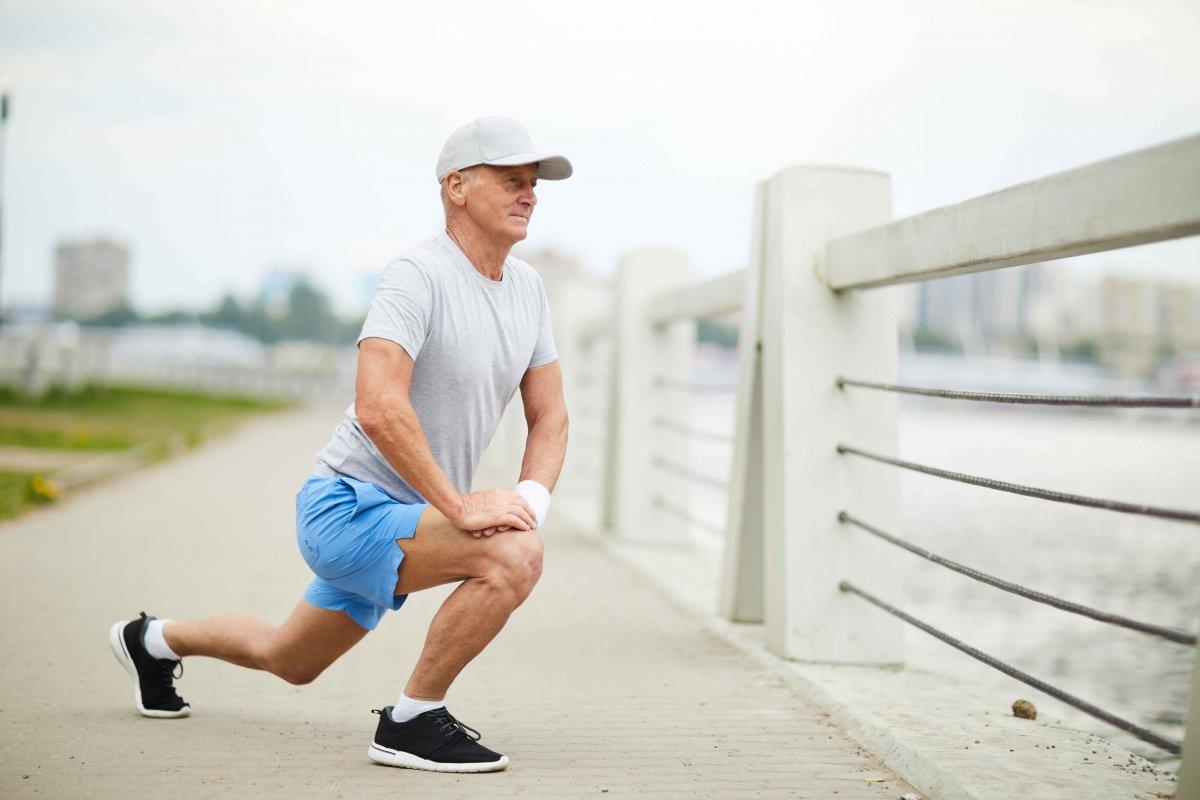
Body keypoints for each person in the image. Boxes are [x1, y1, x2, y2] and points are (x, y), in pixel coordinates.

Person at [109, 116, 572, 773]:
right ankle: (411, 721)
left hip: (414, 521)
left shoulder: (528, 289)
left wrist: (529, 501)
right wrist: (463, 508)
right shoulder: (418, 275)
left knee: (287, 659)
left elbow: (550, 416)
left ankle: (150, 640)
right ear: (457, 187)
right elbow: (380, 407)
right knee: (513, 556)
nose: (529, 194)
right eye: (511, 179)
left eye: (533, 183)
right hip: (347, 510)